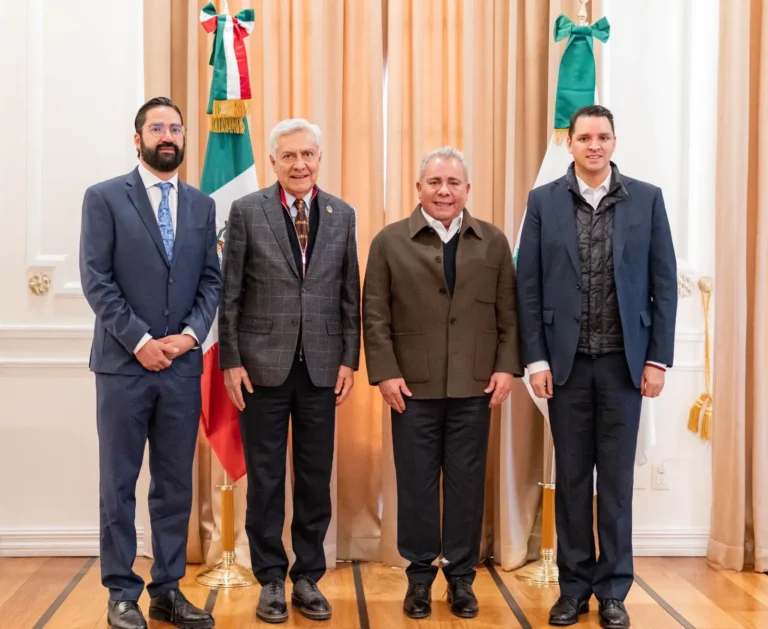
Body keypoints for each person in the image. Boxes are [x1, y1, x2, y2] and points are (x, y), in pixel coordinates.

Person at [516, 105, 678, 629]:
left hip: (623, 367)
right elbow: (530, 287)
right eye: (584, 137)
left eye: (603, 137)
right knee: (570, 480)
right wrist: (535, 358)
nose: (594, 145)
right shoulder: (543, 201)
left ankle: (613, 591)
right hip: (563, 368)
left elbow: (664, 284)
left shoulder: (647, 199)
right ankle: (573, 588)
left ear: (614, 142)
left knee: (614, 484)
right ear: (570, 142)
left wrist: (657, 359)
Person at [79, 97, 221, 629]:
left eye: (176, 128)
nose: (168, 135)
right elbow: (97, 280)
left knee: (173, 484)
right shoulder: (104, 198)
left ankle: (167, 589)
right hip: (123, 367)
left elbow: (212, 280)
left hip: (182, 369)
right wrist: (141, 341)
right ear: (136, 138)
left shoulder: (202, 205)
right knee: (118, 483)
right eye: (157, 127)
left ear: (185, 139)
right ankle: (121, 592)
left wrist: (188, 338)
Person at [362, 147, 522, 619]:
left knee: (467, 485)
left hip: (475, 386)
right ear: (419, 188)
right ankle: (418, 578)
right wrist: (386, 372)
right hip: (411, 387)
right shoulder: (389, 241)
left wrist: (504, 367)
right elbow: (374, 315)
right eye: (435, 182)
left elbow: (508, 313)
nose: (444, 191)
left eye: (453, 183)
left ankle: (461, 578)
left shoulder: (492, 241)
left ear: (467, 190)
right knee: (415, 485)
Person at [218, 118, 360, 623]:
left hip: (322, 368)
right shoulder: (246, 211)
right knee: (266, 478)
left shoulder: (343, 215)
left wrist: (349, 358)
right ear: (274, 161)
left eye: (308, 155)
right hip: (261, 368)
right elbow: (229, 293)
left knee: (315, 477)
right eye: (290, 156)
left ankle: (307, 577)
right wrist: (230, 360)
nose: (300, 164)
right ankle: (271, 579)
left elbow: (349, 294)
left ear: (319, 159)